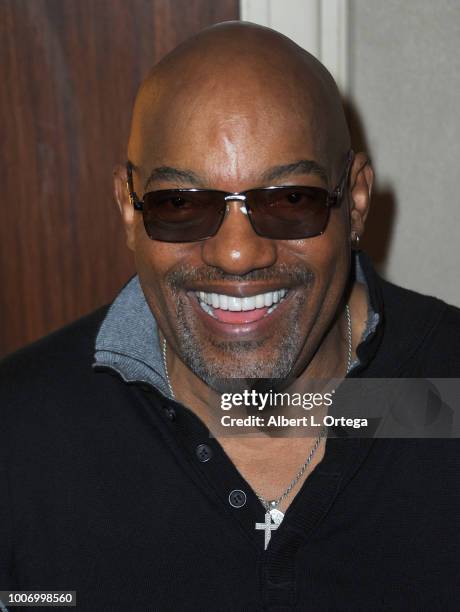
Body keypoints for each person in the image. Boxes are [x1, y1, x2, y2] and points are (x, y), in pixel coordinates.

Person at [1, 21, 459, 611]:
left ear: (357, 201)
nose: (237, 253)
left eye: (291, 199)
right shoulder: (19, 434)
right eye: (180, 205)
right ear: (127, 207)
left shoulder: (446, 391)